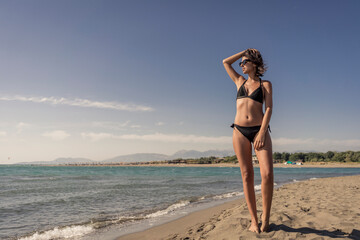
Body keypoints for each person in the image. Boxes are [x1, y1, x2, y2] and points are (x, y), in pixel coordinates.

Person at [222, 48, 274, 233]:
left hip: (260, 131)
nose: (241, 65)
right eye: (241, 63)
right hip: (239, 131)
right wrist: (243, 51)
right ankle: (254, 221)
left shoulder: (265, 84)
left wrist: (261, 133)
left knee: (267, 174)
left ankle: (265, 219)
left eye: (244, 62)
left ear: (254, 64)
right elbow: (225, 62)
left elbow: (268, 109)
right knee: (246, 175)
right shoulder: (239, 82)